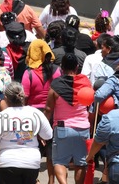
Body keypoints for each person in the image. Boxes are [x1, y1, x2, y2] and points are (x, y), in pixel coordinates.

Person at [0, 81, 53, 184]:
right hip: (31, 162)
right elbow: (48, 135)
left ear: (6, 98)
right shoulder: (35, 113)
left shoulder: (2, 116)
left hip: (7, 162)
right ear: (23, 96)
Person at [45, 53, 91, 184]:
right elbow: (90, 105)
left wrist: (43, 128)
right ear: (77, 67)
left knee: (59, 161)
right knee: (81, 163)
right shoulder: (86, 83)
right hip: (83, 128)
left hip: (62, 129)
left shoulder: (56, 85)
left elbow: (48, 109)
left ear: (61, 67)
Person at [21, 39, 60, 184]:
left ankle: (34, 179)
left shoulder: (28, 74)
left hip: (33, 117)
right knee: (51, 151)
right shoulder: (57, 71)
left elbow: (24, 98)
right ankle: (51, 181)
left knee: (32, 149)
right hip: (53, 114)